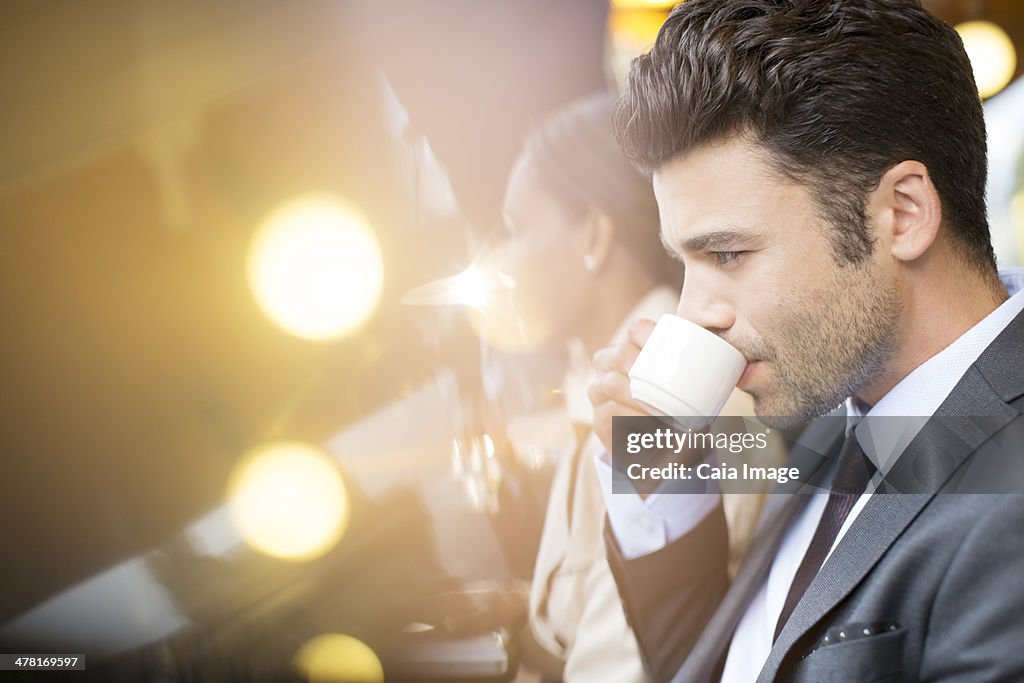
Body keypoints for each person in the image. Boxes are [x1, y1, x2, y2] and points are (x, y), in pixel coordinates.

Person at [587, 1, 1024, 681]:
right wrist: (664, 479)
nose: (694, 312)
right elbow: (747, 660)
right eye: (684, 262)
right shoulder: (834, 414)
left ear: (902, 214)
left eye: (728, 253)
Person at [434, 93, 781, 683]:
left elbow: (634, 663)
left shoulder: (672, 402)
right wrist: (533, 610)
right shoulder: (616, 387)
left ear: (594, 236)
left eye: (517, 229)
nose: (502, 262)